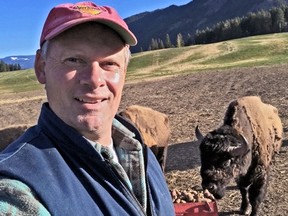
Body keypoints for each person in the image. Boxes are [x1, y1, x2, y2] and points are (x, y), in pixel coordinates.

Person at [0, 2, 174, 215]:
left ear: (125, 72)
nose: (94, 80)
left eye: (109, 63)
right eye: (74, 60)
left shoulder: (143, 154)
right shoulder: (17, 188)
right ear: (41, 67)